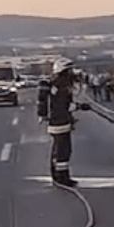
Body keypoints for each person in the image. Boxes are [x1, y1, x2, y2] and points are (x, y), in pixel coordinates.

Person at [37, 58, 90, 187]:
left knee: (59, 149)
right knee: (63, 150)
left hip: (58, 121)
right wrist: (79, 107)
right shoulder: (60, 85)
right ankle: (61, 177)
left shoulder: (58, 83)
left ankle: (59, 175)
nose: (72, 73)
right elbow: (63, 105)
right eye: (69, 70)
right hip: (60, 122)